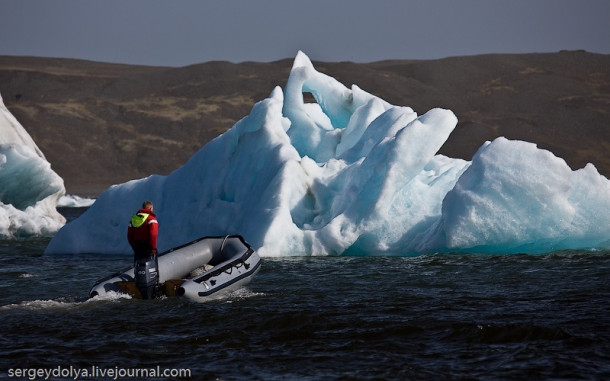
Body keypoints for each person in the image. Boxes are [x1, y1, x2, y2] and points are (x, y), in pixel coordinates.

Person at [127, 200, 159, 299]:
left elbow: (129, 236)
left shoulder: (134, 219)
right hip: (148, 247)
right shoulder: (151, 219)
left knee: (138, 267)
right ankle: (153, 290)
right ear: (150, 208)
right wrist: (153, 248)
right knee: (153, 269)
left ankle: (139, 289)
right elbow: (153, 235)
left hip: (137, 247)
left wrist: (134, 247)